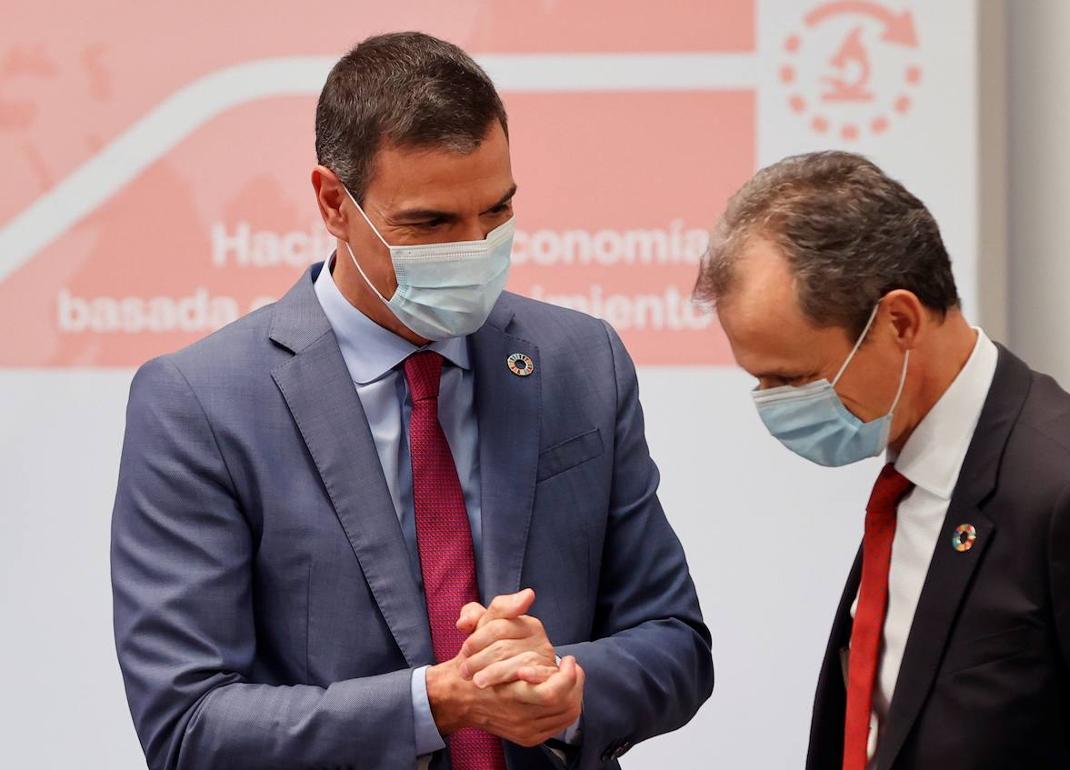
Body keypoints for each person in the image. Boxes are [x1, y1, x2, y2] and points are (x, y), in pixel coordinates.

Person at [111, 31, 712, 770]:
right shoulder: (199, 404)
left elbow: (677, 642)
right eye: (430, 224)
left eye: (497, 212)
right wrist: (431, 705)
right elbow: (189, 726)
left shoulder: (582, 363)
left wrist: (571, 688)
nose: (474, 246)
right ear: (335, 203)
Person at [694, 150, 1070, 769]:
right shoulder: (909, 474)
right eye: (760, 383)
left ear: (899, 321)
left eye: (794, 380)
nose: (775, 407)